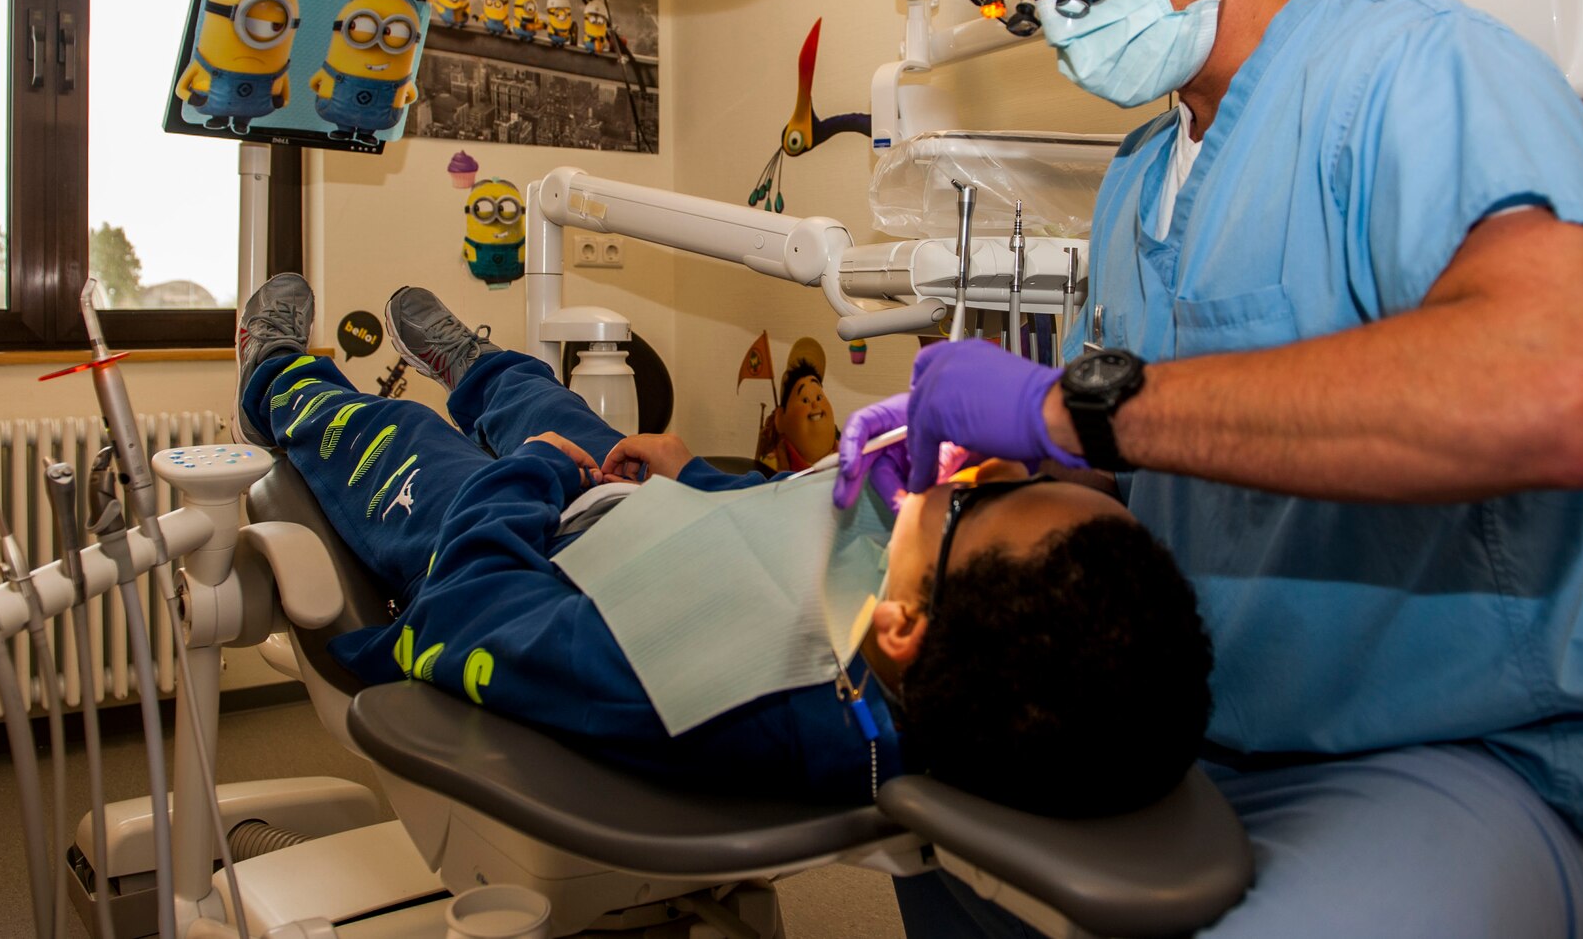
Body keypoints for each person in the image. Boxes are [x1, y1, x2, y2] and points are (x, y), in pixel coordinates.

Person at [850, 0, 1583, 938]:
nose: (1058, 11)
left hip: (1465, 758)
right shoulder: (1145, 176)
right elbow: (1167, 467)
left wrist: (1063, 407)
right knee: (940, 869)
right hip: (1201, 746)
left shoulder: (1424, 74)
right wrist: (973, 473)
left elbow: (1551, 389)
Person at [235, 273, 1211, 815]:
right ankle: (480, 365)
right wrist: (688, 470)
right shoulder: (905, 625)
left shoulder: (708, 689)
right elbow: (780, 525)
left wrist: (533, 474)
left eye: (974, 498)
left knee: (397, 442)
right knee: (549, 397)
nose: (960, 472)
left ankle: (273, 372)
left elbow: (468, 614)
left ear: (904, 624)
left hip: (529, 544)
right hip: (637, 510)